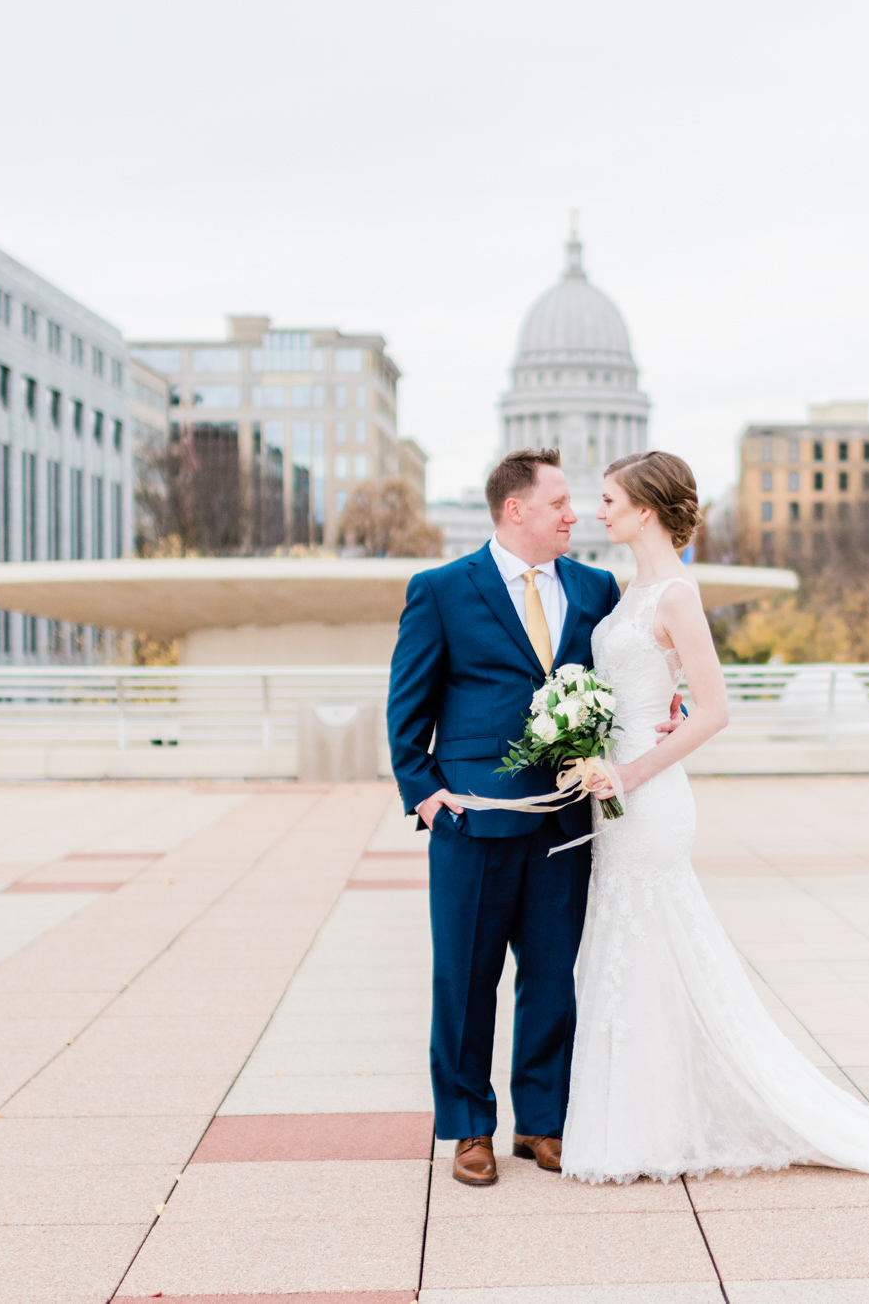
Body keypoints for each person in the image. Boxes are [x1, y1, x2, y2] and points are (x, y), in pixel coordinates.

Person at [559, 450, 869, 1186]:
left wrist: (635, 769)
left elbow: (716, 709)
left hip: (651, 794)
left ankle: (655, 1127)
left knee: (655, 941)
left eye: (607, 499)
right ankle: (639, 1120)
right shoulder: (629, 588)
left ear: (643, 507)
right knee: (625, 948)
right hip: (614, 789)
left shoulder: (674, 593)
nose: (597, 509)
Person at [386, 448, 621, 1187]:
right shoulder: (441, 590)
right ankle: (469, 1129)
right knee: (464, 980)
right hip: (472, 823)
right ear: (514, 509)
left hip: (563, 821)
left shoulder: (596, 588)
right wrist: (425, 794)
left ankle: (543, 1126)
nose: (573, 515)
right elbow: (407, 708)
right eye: (559, 503)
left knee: (553, 978)